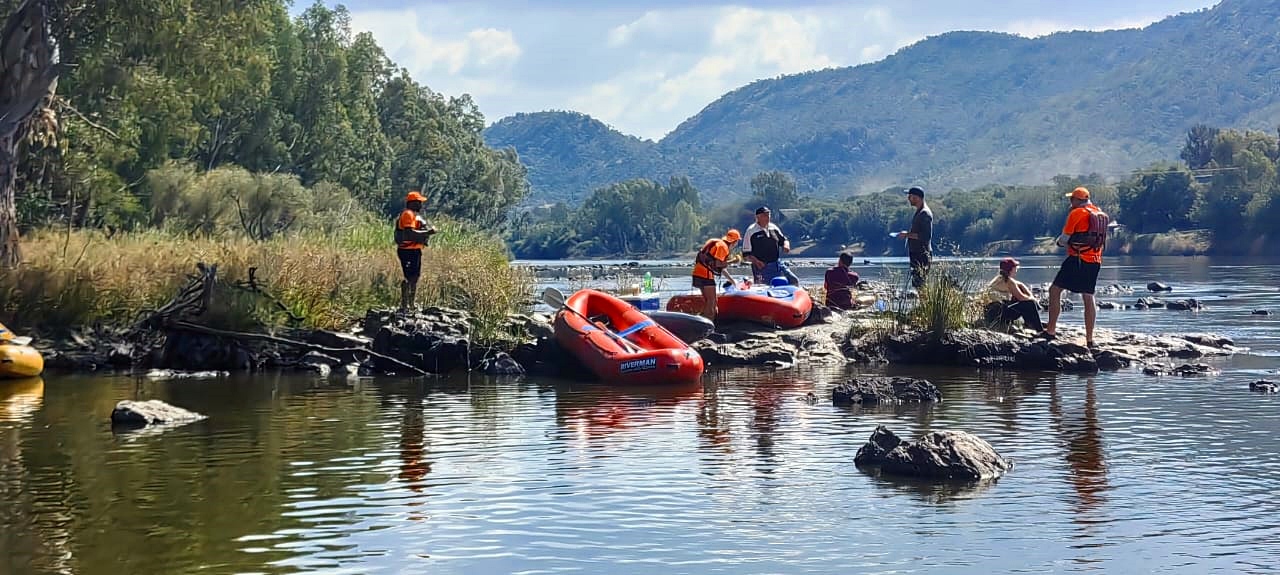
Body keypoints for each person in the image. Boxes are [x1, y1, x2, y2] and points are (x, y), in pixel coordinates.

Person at [1039, 186, 1109, 348]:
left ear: (1078, 200)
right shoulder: (1100, 214)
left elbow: (1064, 239)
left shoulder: (1076, 213)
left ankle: (1050, 331)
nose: (1070, 202)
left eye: (1072, 199)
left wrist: (1058, 243)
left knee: (1054, 291)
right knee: (1088, 296)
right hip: (1095, 261)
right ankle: (1090, 340)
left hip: (1077, 258)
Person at [394, 190, 437, 312]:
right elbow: (409, 233)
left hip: (414, 250)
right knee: (408, 277)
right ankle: (404, 305)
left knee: (414, 277)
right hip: (407, 251)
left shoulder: (413, 215)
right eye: (419, 202)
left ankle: (411, 304)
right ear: (412, 203)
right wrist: (429, 232)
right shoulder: (407, 214)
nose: (421, 205)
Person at [691, 228, 742, 321]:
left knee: (709, 302)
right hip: (705, 275)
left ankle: (701, 320)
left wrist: (732, 281)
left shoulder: (716, 242)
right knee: (712, 303)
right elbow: (718, 264)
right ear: (735, 242)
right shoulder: (723, 247)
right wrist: (734, 261)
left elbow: (719, 267)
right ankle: (708, 328)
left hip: (697, 273)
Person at [743, 206, 799, 286]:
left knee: (793, 280)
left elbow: (784, 240)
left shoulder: (773, 227)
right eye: (765, 215)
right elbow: (746, 254)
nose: (768, 217)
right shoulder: (751, 231)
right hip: (762, 266)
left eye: (769, 215)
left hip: (777, 263)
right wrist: (756, 261)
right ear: (758, 217)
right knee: (766, 287)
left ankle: (794, 296)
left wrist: (786, 245)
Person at [984, 257, 1045, 331]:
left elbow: (1019, 284)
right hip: (999, 314)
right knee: (1029, 304)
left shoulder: (999, 278)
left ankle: (1029, 323)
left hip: (991, 313)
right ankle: (1039, 330)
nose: (1016, 269)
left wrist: (1022, 286)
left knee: (1023, 302)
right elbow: (1021, 298)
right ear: (1011, 269)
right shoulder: (1009, 282)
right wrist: (1034, 300)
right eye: (1015, 267)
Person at [892, 186, 932, 291]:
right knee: (918, 284)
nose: (908, 199)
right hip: (917, 253)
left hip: (921, 254)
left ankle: (925, 306)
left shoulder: (925, 213)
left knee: (921, 284)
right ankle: (924, 306)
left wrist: (907, 235)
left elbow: (925, 236)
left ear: (917, 198)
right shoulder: (920, 211)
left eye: (910, 196)